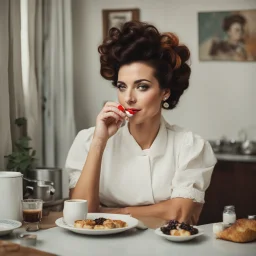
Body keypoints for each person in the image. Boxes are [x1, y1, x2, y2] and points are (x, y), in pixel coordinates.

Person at [65, 21, 217, 224]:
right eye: (121, 86)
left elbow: (179, 213)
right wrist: (99, 142)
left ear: (165, 92)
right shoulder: (88, 140)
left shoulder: (189, 146)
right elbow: (81, 214)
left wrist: (110, 213)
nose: (128, 98)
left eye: (142, 87)